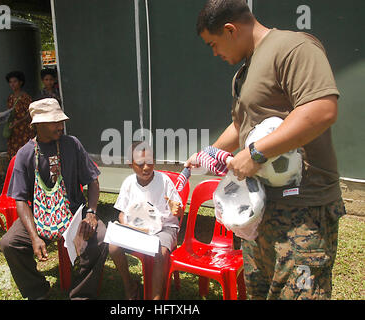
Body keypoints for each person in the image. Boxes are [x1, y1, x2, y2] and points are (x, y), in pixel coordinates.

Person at [185, 0, 346, 300]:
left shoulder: (293, 48)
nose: (215, 53)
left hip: (303, 211)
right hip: (259, 212)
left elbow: (322, 108)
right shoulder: (244, 72)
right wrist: (209, 152)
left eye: (213, 44)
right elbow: (243, 124)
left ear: (231, 30)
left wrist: (256, 153)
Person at [0, 98, 107, 300]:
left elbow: (93, 181)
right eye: (54, 122)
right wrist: (34, 237)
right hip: (40, 216)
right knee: (9, 243)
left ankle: (81, 294)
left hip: (74, 212)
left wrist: (91, 213)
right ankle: (38, 292)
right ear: (38, 125)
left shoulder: (72, 144)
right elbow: (21, 200)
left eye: (61, 120)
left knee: (101, 238)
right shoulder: (24, 154)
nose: (61, 125)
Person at [109, 141, 184, 300]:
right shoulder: (129, 183)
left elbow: (177, 210)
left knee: (160, 251)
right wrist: (126, 224)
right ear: (131, 164)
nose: (146, 167)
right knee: (113, 246)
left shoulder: (164, 181)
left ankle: (155, 297)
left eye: (150, 162)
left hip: (164, 227)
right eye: (140, 164)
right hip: (137, 229)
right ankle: (129, 285)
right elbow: (121, 213)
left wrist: (177, 209)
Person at [5, 71, 35, 159]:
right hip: (13, 132)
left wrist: (18, 122)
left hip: (24, 131)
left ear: (20, 82)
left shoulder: (25, 97)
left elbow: (30, 113)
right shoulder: (10, 98)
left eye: (15, 81)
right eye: (10, 82)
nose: (12, 84)